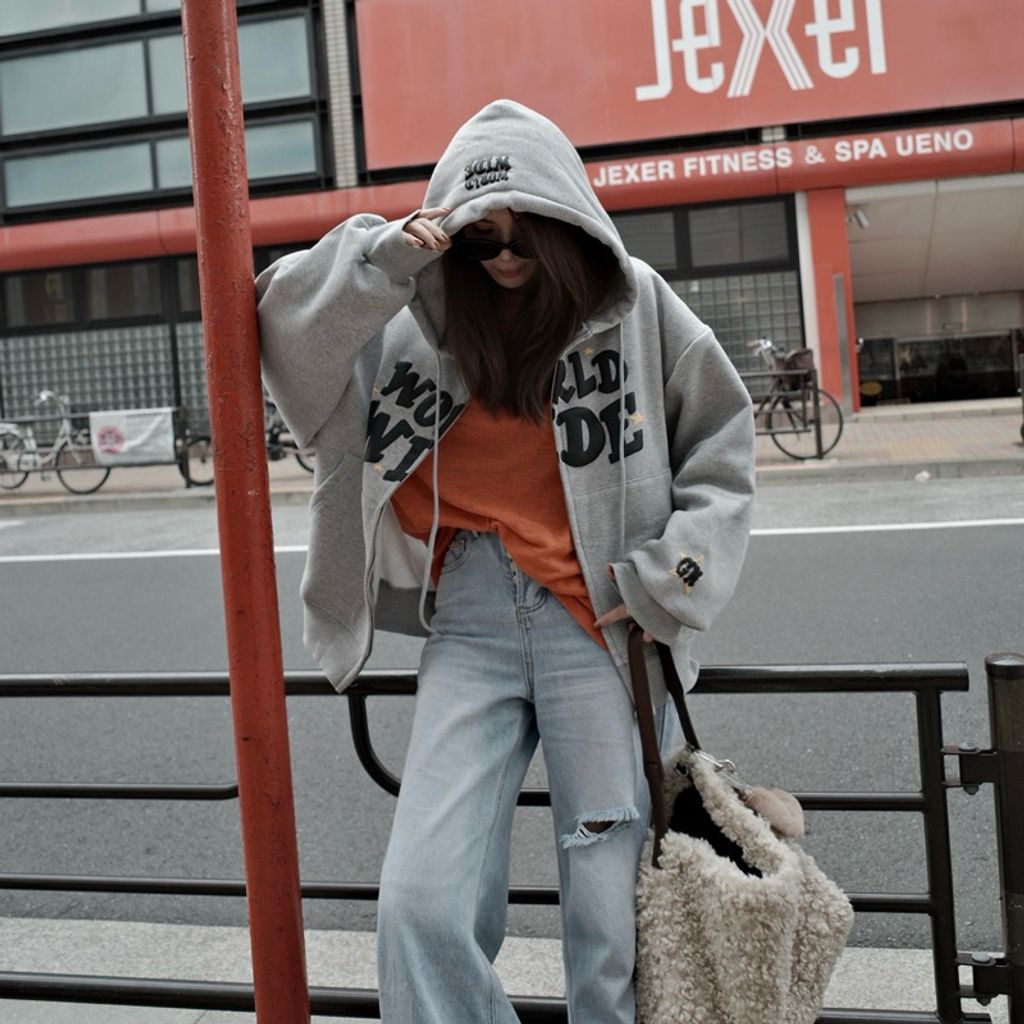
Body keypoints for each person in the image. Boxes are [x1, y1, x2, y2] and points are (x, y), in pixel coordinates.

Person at [256, 99, 755, 1024]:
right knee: (419, 905)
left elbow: (723, 443)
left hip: (600, 624)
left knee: (611, 930)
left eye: (531, 230)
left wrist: (668, 579)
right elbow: (280, 335)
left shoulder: (634, 301)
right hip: (471, 615)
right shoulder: (411, 315)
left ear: (571, 224)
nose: (506, 255)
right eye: (481, 236)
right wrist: (387, 256)